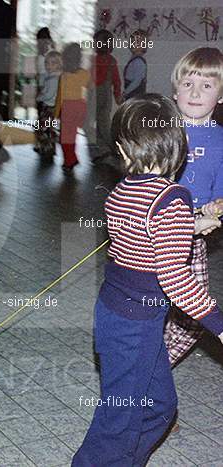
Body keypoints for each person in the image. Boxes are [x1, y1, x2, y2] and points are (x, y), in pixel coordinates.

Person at [72, 95, 223, 467]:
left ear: (123, 149)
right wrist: (218, 325)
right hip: (134, 326)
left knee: (158, 406)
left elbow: (144, 237)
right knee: (121, 420)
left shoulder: (121, 191)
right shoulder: (173, 198)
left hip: (116, 315)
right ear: (181, 145)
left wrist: (193, 225)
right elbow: (174, 278)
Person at [164, 47, 223, 367]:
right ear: (175, 91)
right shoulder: (161, 134)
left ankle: (153, 367)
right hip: (155, 238)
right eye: (188, 84)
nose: (196, 92)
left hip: (194, 240)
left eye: (207, 85)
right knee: (149, 312)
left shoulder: (221, 141)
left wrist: (216, 209)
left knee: (193, 318)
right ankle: (145, 383)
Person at [55, 43, 90, 172]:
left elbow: (60, 96)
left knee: (65, 137)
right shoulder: (84, 74)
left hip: (67, 107)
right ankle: (72, 159)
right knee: (72, 135)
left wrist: (56, 112)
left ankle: (69, 161)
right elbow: (87, 87)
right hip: (80, 105)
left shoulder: (63, 76)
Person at [91, 29, 122, 163]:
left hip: (98, 95)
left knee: (102, 123)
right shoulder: (112, 60)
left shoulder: (96, 60)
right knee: (101, 122)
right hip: (106, 95)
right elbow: (117, 81)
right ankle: (103, 149)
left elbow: (92, 79)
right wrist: (117, 94)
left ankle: (116, 148)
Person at [35, 50, 61, 160]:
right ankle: (49, 147)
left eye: (53, 63)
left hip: (49, 107)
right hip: (51, 107)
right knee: (47, 128)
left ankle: (47, 148)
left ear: (59, 65)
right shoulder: (51, 76)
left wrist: (39, 97)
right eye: (47, 63)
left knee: (42, 128)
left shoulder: (53, 79)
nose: (48, 66)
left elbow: (49, 94)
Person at [123, 30, 148, 101]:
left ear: (144, 45)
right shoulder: (135, 60)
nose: (133, 44)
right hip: (132, 92)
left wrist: (125, 93)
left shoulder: (138, 61)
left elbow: (137, 81)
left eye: (137, 42)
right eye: (132, 41)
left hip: (135, 93)